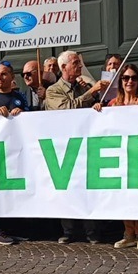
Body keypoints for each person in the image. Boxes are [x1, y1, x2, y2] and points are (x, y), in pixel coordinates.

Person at [46, 51, 108, 244]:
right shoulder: (53, 91)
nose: (80, 66)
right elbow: (67, 109)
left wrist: (92, 93)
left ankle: (92, 231)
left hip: (86, 144)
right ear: (63, 67)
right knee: (66, 188)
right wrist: (91, 93)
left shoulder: (83, 87)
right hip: (64, 147)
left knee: (87, 186)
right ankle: (68, 230)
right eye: (75, 63)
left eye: (80, 63)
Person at [94, 63, 138, 251]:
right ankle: (128, 234)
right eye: (126, 78)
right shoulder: (113, 103)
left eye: (133, 78)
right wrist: (98, 108)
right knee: (124, 196)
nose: (130, 81)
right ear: (120, 81)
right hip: (121, 156)